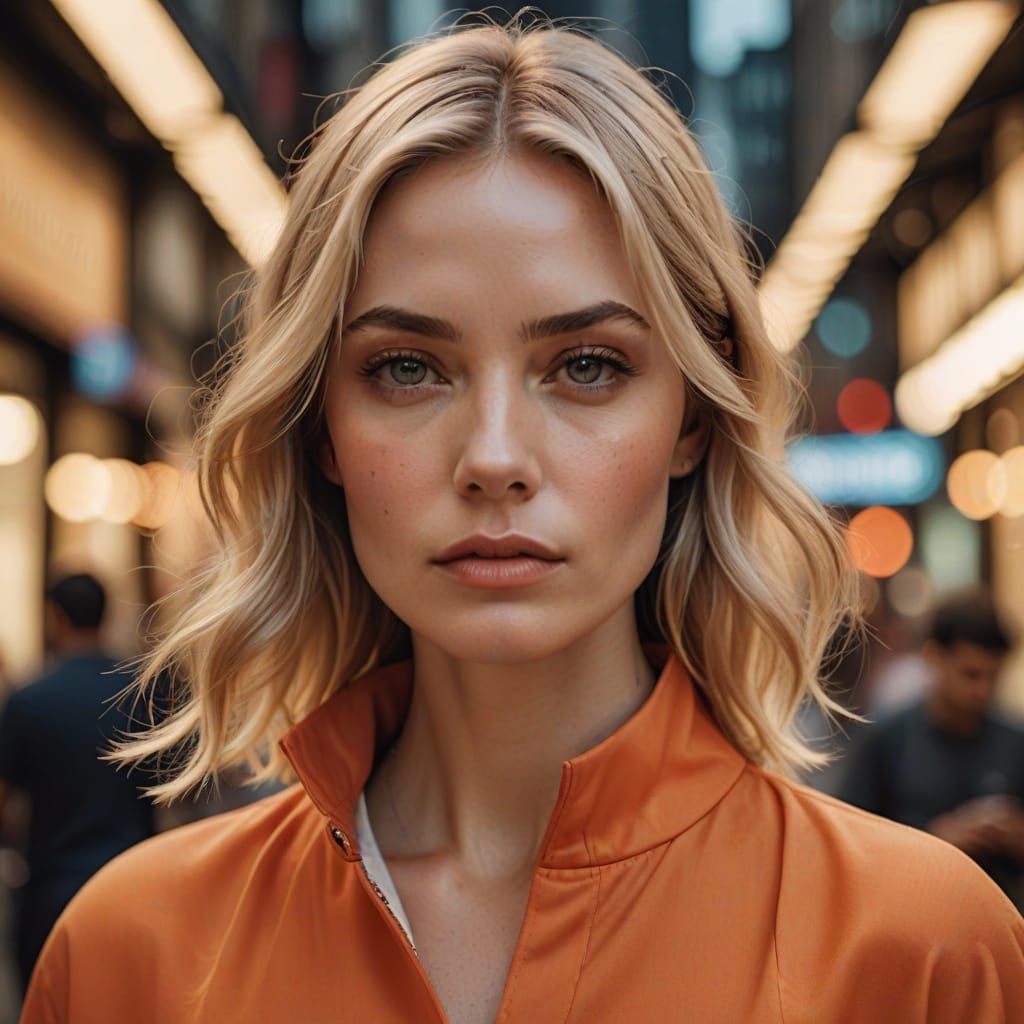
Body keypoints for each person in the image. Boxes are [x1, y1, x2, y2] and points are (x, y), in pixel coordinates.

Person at [20, 14, 1024, 1023]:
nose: (494, 457)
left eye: (587, 365)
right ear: (319, 423)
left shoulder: (922, 954)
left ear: (692, 418)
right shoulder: (132, 957)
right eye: (406, 367)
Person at [0, 574, 156, 993]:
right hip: (135, 884)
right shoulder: (141, 693)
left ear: (56, 617)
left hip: (52, 888)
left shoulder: (29, 700)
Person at [838, 590, 1024, 909]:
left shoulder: (1016, 740)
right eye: (970, 674)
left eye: (993, 677)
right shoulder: (887, 740)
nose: (982, 691)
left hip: (1005, 926)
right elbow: (850, 849)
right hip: (913, 921)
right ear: (934, 657)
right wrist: (937, 841)